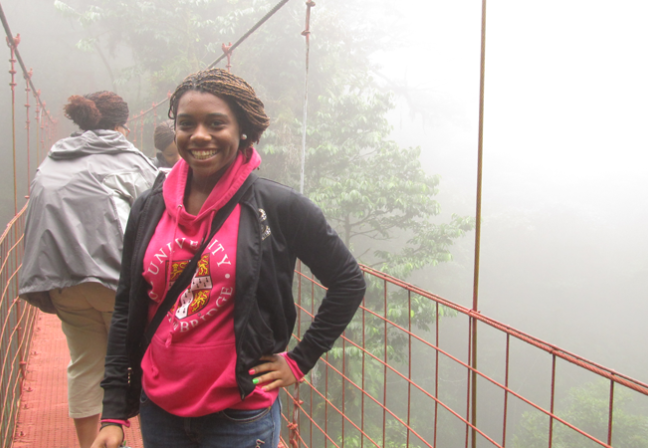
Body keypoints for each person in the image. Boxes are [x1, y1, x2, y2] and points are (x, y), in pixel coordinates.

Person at [92, 68, 366, 448]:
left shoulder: (279, 206)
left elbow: (349, 281)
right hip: (159, 409)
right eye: (187, 124)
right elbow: (127, 307)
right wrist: (113, 409)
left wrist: (300, 360)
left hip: (240, 414)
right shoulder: (148, 207)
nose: (199, 135)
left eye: (216, 123)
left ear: (244, 130)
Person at [18, 91, 158, 448]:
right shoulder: (131, 160)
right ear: (120, 126)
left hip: (61, 281)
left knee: (84, 364)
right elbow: (158, 214)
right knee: (143, 362)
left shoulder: (52, 161)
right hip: (117, 282)